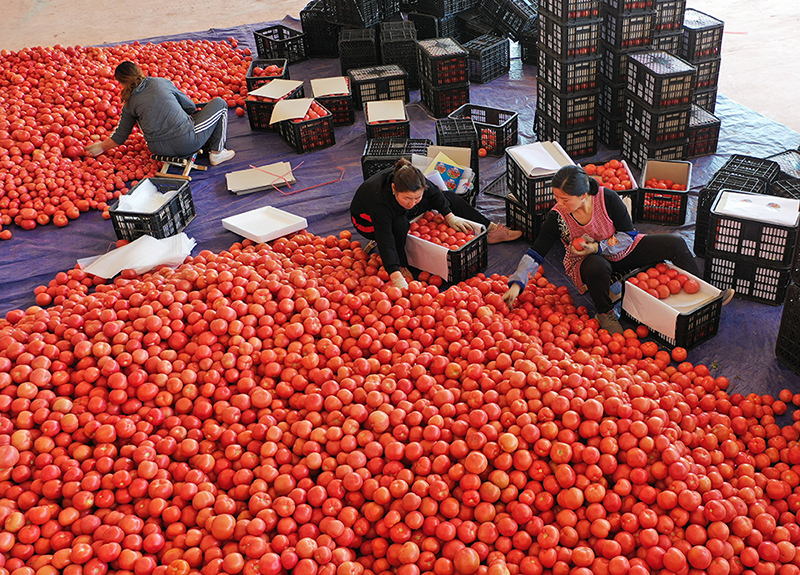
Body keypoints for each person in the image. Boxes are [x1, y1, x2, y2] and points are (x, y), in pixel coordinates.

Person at [502, 165, 734, 334]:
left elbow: (628, 234)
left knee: (675, 243)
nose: (559, 203)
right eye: (557, 198)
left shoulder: (607, 198)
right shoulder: (557, 218)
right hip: (587, 263)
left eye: (565, 199)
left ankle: (708, 294)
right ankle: (605, 311)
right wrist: (517, 282)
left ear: (583, 195)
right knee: (595, 265)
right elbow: (537, 250)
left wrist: (599, 246)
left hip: (622, 249)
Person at [350, 159, 523, 289]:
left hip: (396, 208)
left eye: (417, 197)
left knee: (451, 198)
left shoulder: (414, 180)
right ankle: (403, 264)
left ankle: (491, 230)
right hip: (367, 223)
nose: (413, 203)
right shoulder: (380, 201)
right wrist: (395, 273)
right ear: (394, 189)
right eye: (408, 198)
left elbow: (435, 196)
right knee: (399, 224)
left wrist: (449, 216)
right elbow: (385, 238)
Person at [85, 61, 235, 166]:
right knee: (220, 103)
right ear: (139, 72)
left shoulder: (129, 103)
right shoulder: (160, 82)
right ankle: (217, 153)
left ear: (121, 83)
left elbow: (120, 136)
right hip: (186, 142)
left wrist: (101, 147)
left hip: (158, 149)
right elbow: (189, 107)